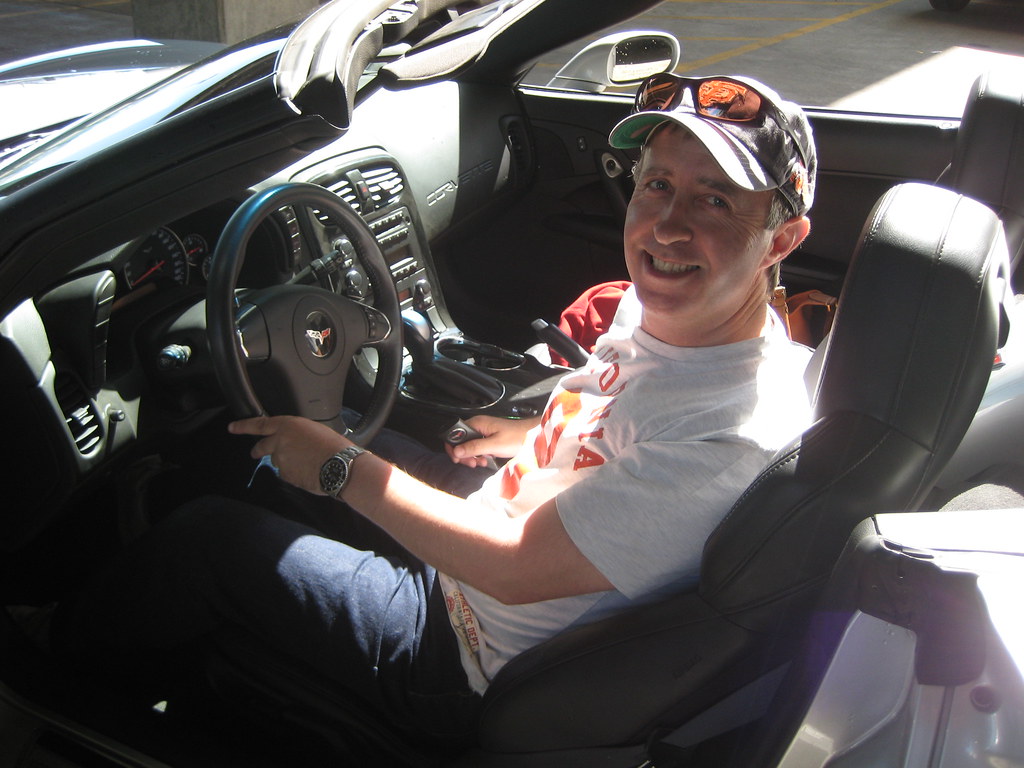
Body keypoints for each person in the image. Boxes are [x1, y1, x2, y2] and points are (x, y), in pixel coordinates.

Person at [52, 73, 818, 746]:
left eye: (715, 199)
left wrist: (340, 468)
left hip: (459, 648)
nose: (668, 223)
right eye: (658, 184)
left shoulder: (729, 430)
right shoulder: (681, 314)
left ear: (782, 236)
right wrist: (534, 430)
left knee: (205, 539)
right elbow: (622, 406)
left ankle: (55, 694)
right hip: (498, 530)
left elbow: (513, 571)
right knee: (256, 447)